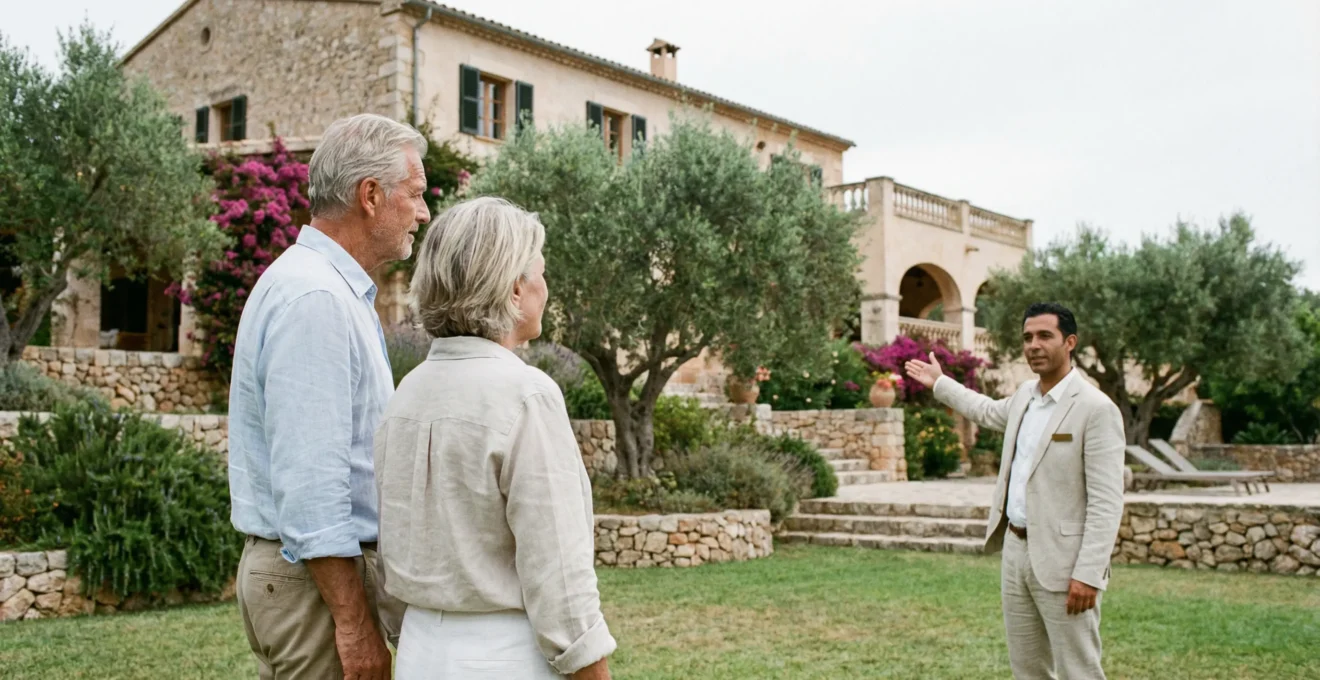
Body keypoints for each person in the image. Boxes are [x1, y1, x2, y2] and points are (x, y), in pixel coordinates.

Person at [375, 197, 616, 679]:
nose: (546, 288)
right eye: (540, 273)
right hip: (504, 656)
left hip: (420, 651)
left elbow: (390, 541)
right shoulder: (526, 395)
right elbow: (558, 576)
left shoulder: (407, 391)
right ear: (512, 290)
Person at [228, 113, 430, 679]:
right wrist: (354, 623)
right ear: (370, 195)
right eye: (414, 194)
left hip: (310, 580)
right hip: (314, 586)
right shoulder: (314, 297)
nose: (423, 211)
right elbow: (311, 487)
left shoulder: (327, 288)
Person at [905, 302, 1125, 680]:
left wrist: (1088, 574)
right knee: (1027, 670)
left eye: (1044, 336)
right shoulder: (1025, 395)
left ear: (1069, 342)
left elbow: (1107, 502)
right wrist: (940, 384)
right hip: (1016, 552)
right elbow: (987, 410)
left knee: (1079, 670)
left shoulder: (1095, 409)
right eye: (1027, 337)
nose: (1033, 345)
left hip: (1065, 562)